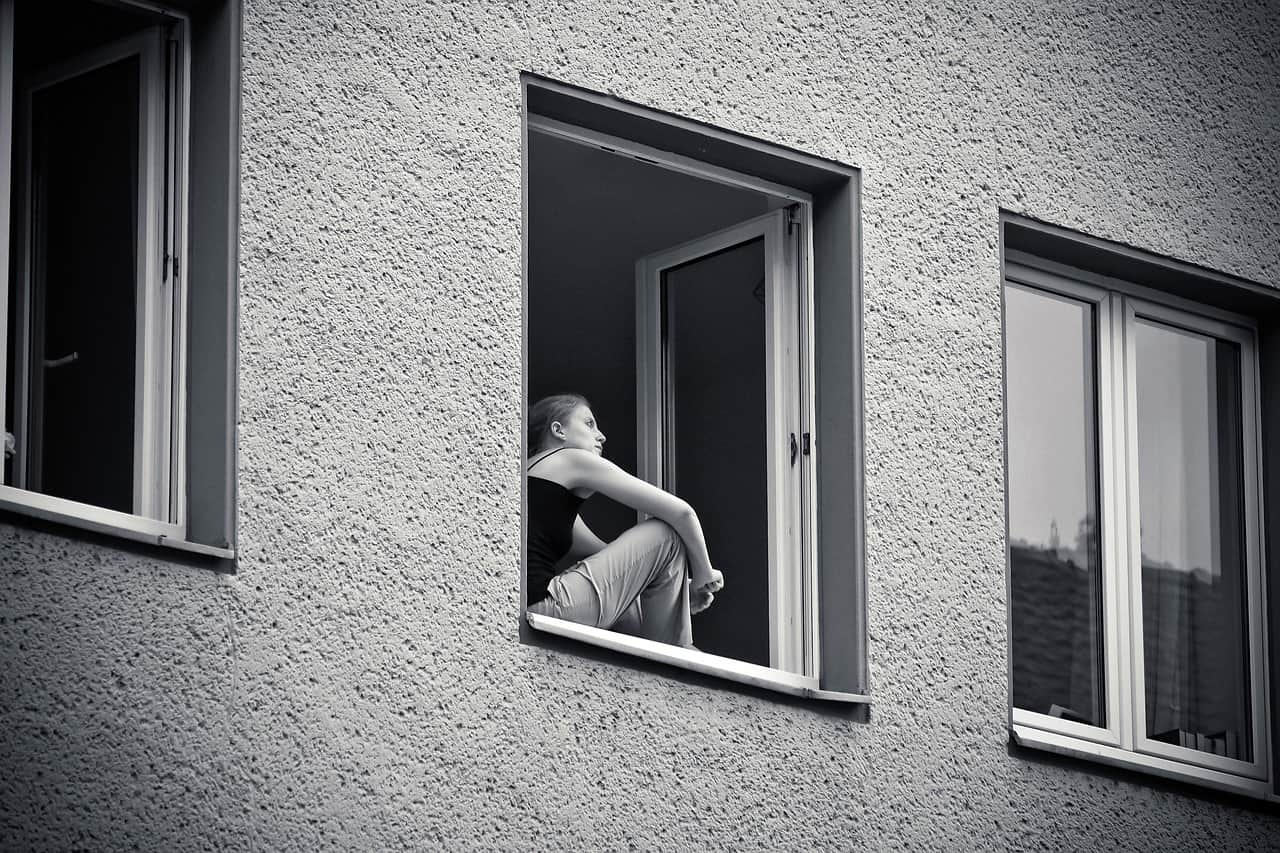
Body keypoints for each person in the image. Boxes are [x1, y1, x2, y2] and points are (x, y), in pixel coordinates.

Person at [525, 393, 724, 649]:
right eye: (589, 423)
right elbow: (682, 513)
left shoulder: (535, 484)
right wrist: (704, 573)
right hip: (549, 606)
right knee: (665, 535)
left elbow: (614, 560)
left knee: (631, 607)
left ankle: (678, 659)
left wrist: (679, 590)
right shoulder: (569, 458)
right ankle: (677, 663)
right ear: (558, 430)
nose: (601, 435)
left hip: (538, 610)